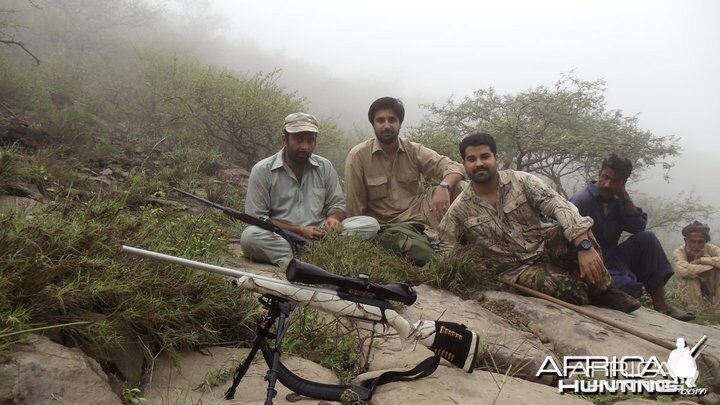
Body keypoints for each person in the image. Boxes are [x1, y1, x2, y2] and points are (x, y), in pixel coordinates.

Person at [438, 133, 640, 313]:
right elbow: (446, 249)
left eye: (485, 156)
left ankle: (606, 291)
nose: (479, 163)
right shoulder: (459, 209)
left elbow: (559, 205)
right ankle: (586, 289)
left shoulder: (523, 181)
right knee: (572, 292)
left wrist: (584, 246)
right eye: (471, 159)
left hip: (545, 245)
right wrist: (474, 267)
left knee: (580, 233)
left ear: (496, 158)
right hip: (518, 269)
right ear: (464, 164)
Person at [240, 112, 379, 265]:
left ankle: (300, 255)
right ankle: (305, 259)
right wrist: (299, 231)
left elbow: (337, 205)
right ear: (284, 139)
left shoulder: (324, 167)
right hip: (280, 235)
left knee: (370, 224)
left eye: (310, 141)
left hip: (320, 233)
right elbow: (257, 219)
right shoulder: (262, 170)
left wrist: (333, 219)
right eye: (299, 140)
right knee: (250, 236)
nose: (305, 147)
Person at [569, 154, 694, 321]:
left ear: (623, 182)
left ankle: (662, 306)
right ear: (599, 173)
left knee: (647, 238)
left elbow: (638, 227)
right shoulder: (582, 200)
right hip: (588, 261)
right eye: (605, 177)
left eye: (614, 181)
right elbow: (564, 232)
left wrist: (624, 197)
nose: (607, 184)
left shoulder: (618, 201)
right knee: (628, 288)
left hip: (614, 257)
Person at [344, 96, 466, 232]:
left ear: (400, 124)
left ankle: (481, 233)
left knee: (461, 187)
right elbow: (354, 208)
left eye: (392, 120)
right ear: (373, 124)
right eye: (380, 121)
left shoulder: (413, 150)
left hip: (420, 213)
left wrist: (444, 187)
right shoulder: (358, 156)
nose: (386, 126)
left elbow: (454, 167)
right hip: (385, 225)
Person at [673, 221, 720, 306]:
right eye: (692, 241)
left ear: (705, 241)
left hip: (711, 286)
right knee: (690, 277)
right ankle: (695, 312)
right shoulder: (679, 251)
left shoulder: (712, 249)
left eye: (700, 241)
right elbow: (684, 270)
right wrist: (712, 266)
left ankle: (717, 312)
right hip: (687, 292)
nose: (696, 246)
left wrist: (701, 260)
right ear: (685, 240)